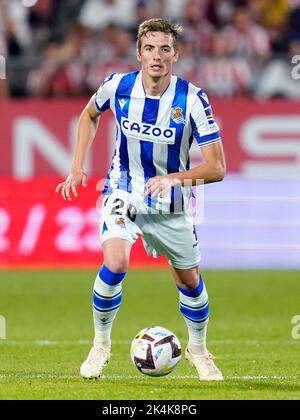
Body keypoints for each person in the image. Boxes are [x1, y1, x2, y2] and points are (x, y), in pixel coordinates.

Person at [56, 18, 226, 381]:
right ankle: (100, 345)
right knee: (115, 264)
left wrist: (173, 178)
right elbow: (89, 115)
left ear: (176, 55)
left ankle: (199, 350)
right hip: (124, 190)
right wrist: (77, 167)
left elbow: (217, 167)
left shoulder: (193, 99)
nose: (156, 57)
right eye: (149, 49)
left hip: (172, 203)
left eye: (165, 49)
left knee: (189, 282)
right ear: (138, 54)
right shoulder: (117, 86)